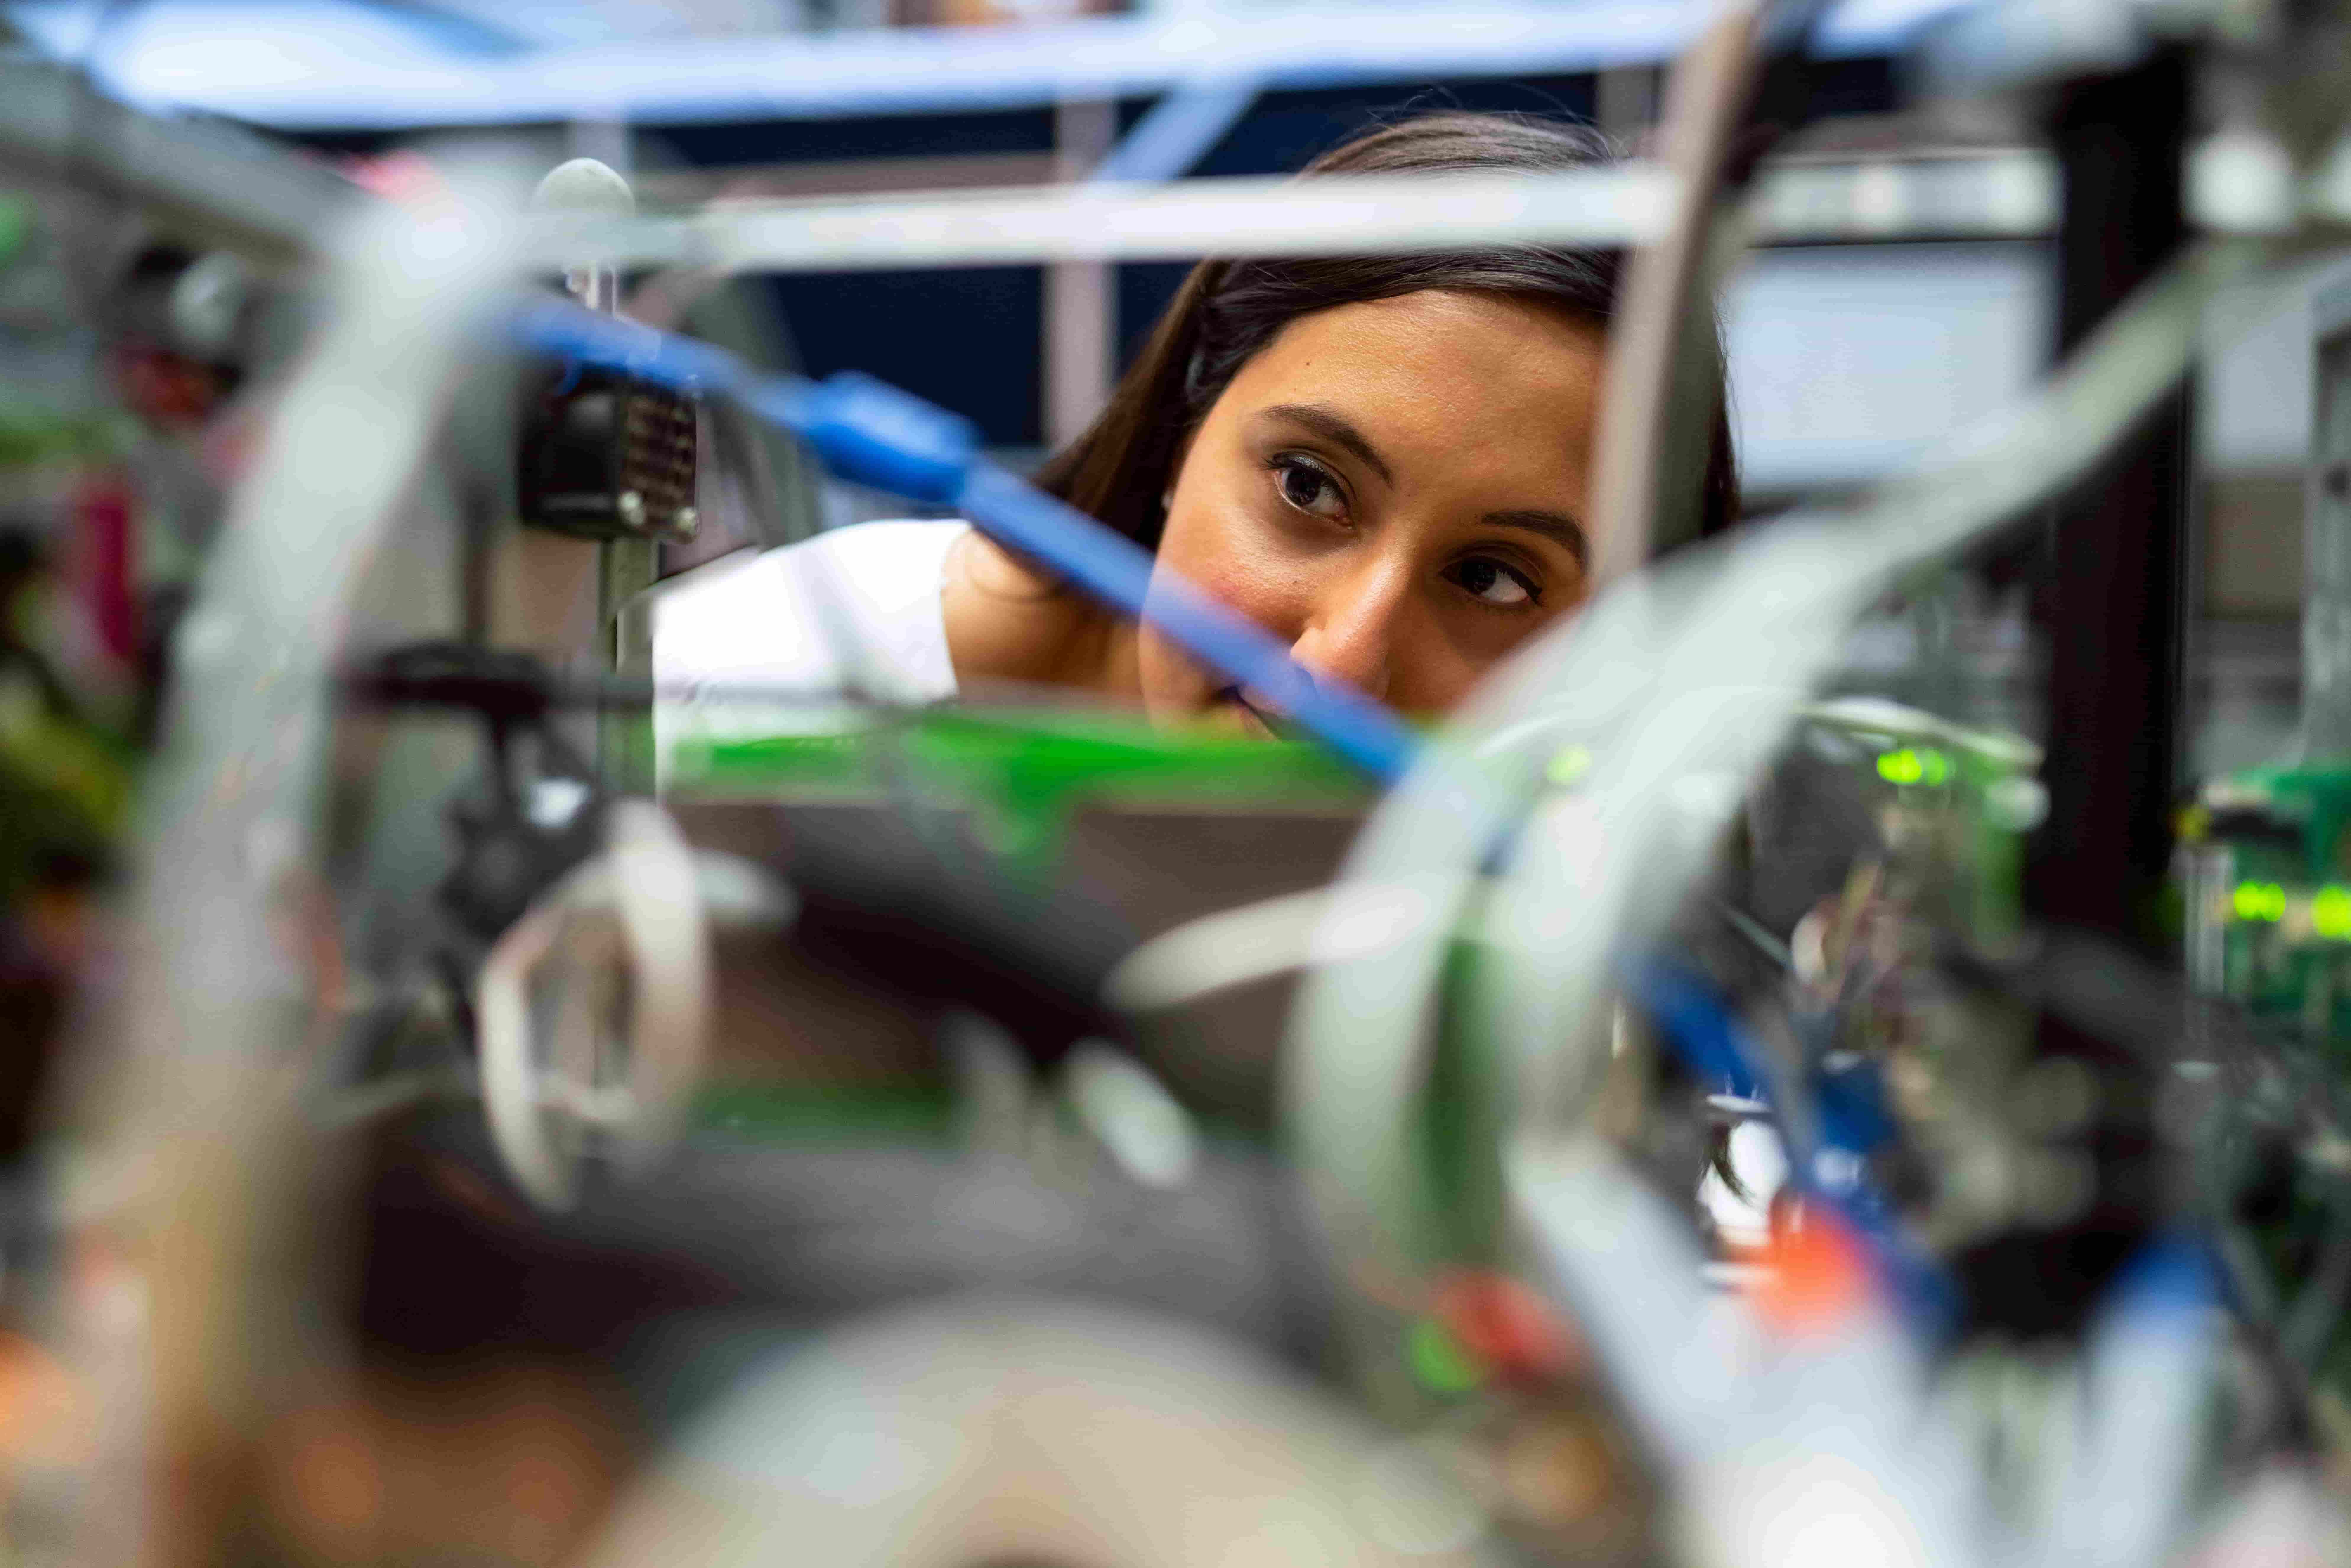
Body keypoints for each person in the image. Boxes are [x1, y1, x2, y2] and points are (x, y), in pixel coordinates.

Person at [653, 110, 1738, 740]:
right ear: (1183, 428)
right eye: (1309, 489)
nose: (1337, 667)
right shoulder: (740, 698)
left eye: (1493, 578)